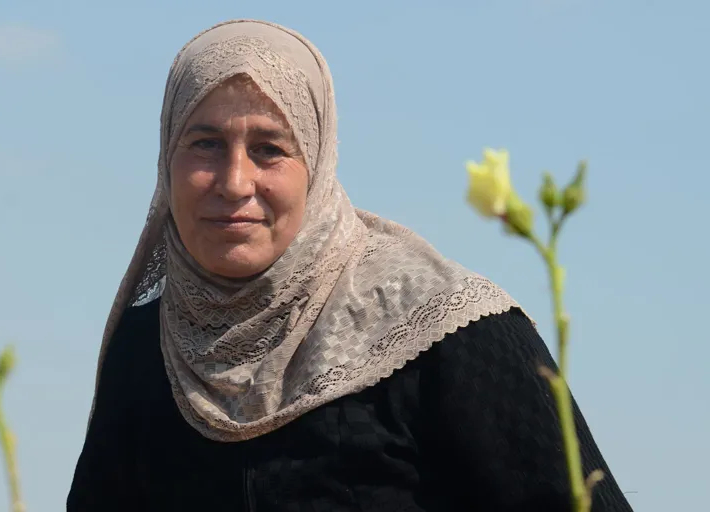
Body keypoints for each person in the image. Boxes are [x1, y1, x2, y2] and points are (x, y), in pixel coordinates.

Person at [67, 19, 632, 512]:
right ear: (166, 160)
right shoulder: (147, 349)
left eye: (269, 148)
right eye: (205, 143)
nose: (235, 182)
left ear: (316, 164)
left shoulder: (445, 331)